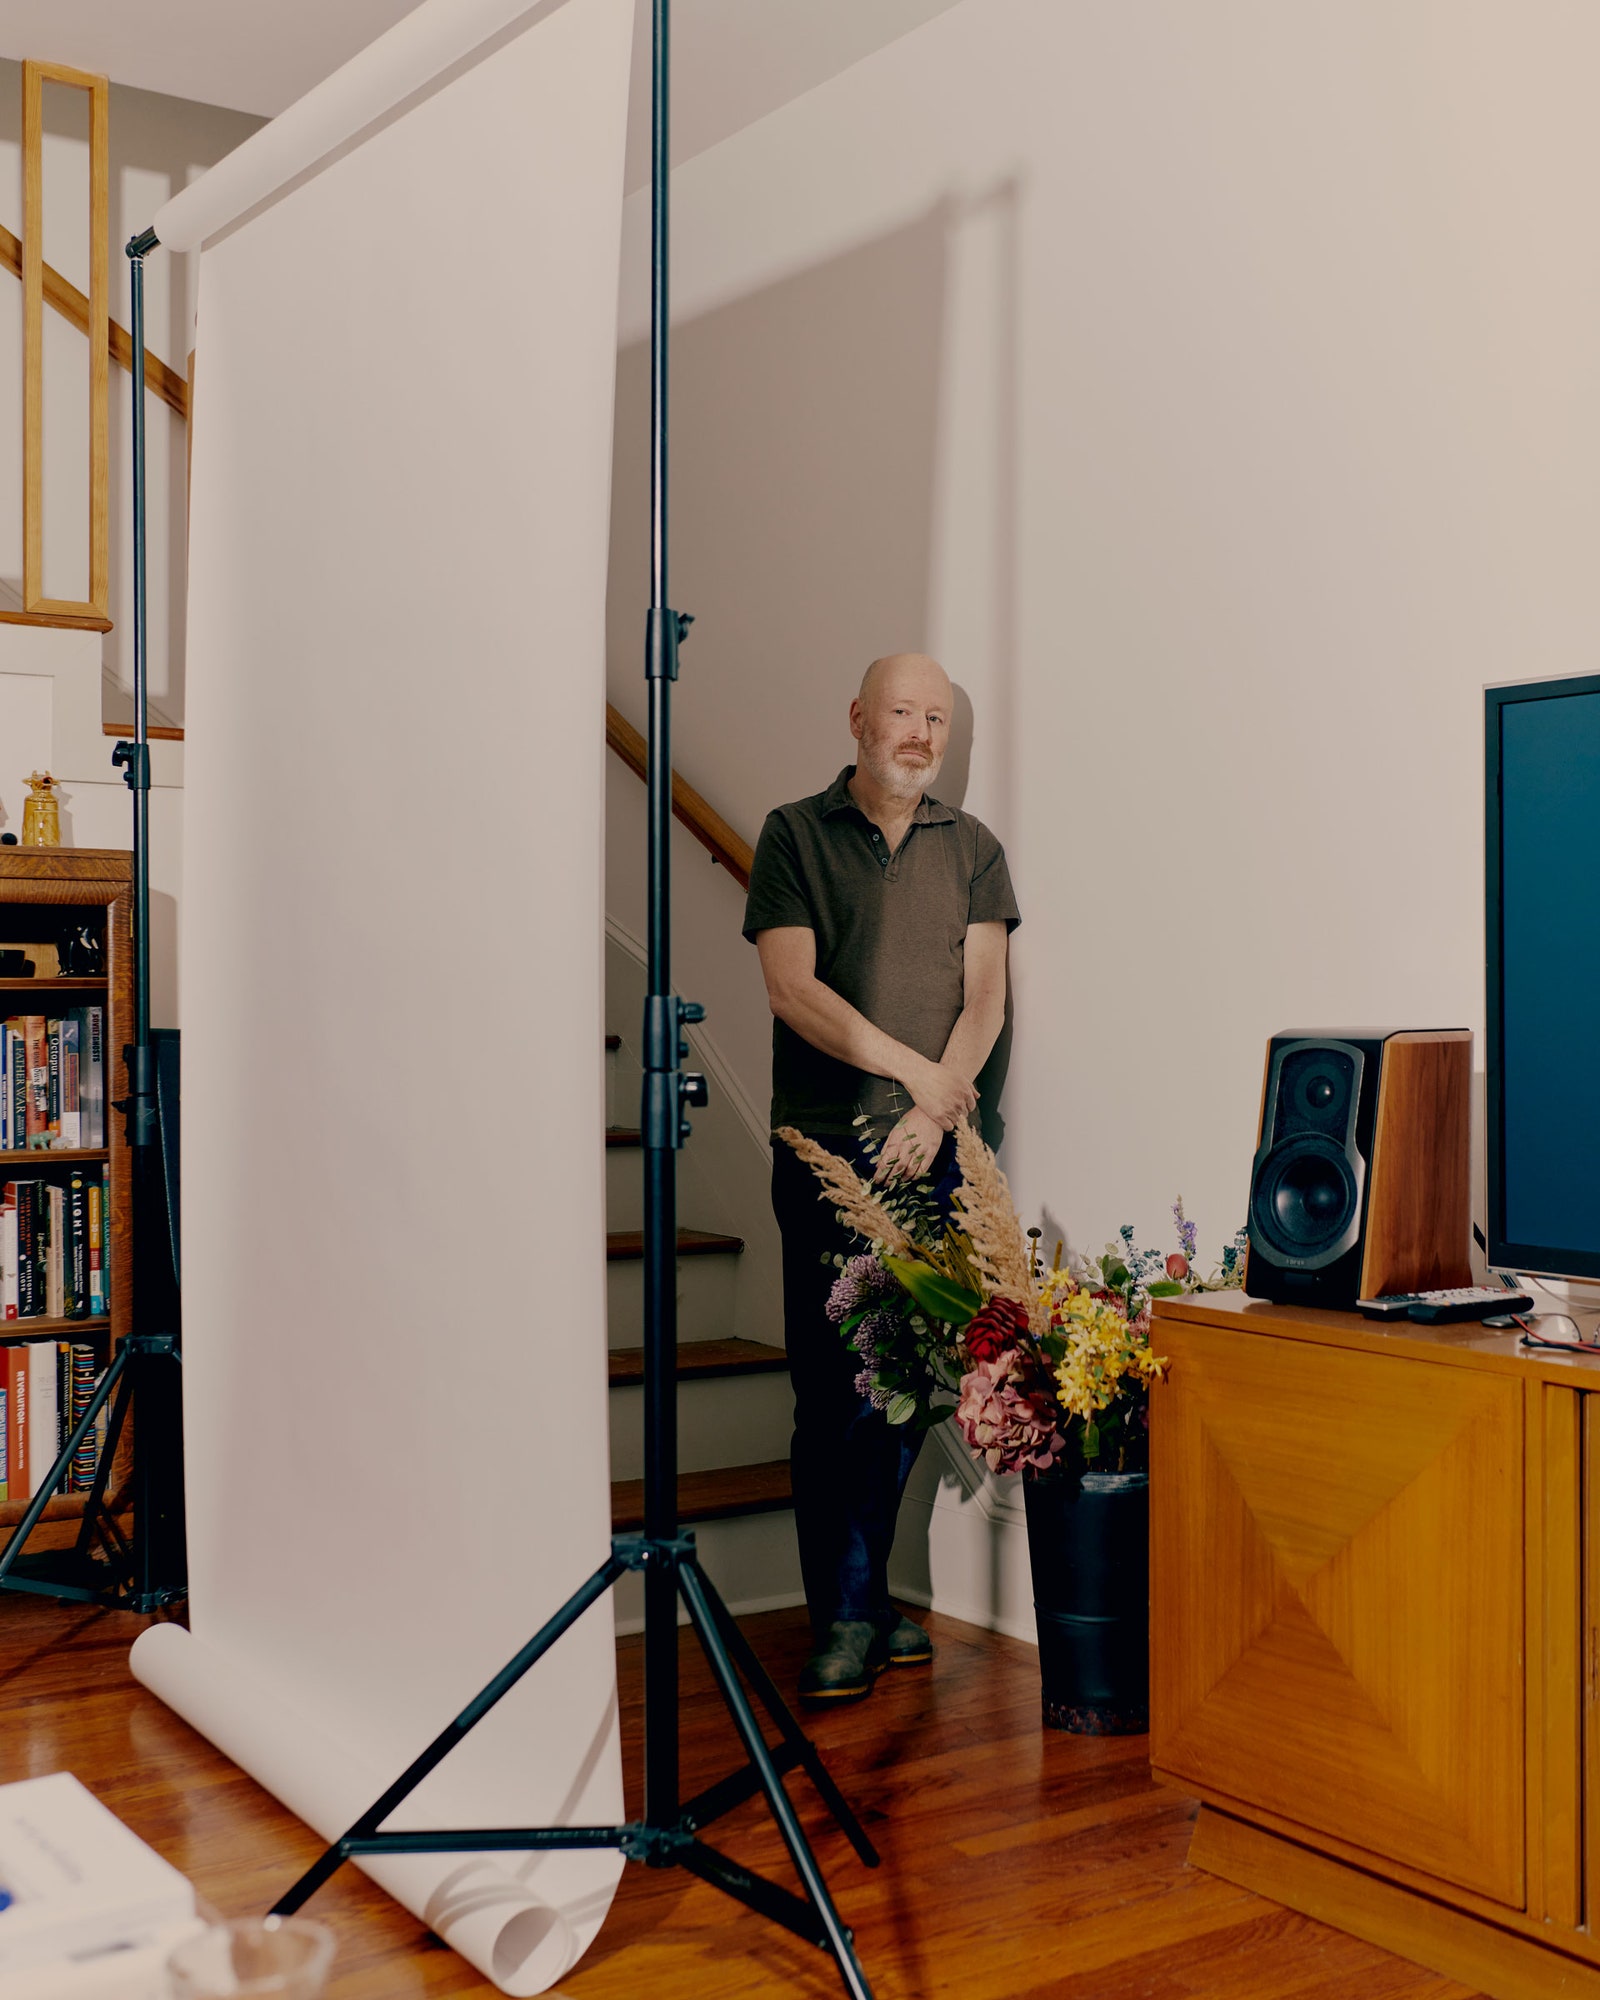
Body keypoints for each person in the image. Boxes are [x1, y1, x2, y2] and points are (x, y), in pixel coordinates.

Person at [742, 653, 1019, 1702]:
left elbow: (983, 999)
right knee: (833, 1389)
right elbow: (790, 988)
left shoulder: (974, 848)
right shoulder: (791, 833)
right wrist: (918, 1079)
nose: (917, 732)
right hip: (825, 1150)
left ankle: (864, 1598)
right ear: (858, 717)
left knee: (907, 1387)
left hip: (934, 1157)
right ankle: (843, 1619)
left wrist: (932, 1108)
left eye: (935, 718)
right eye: (901, 711)